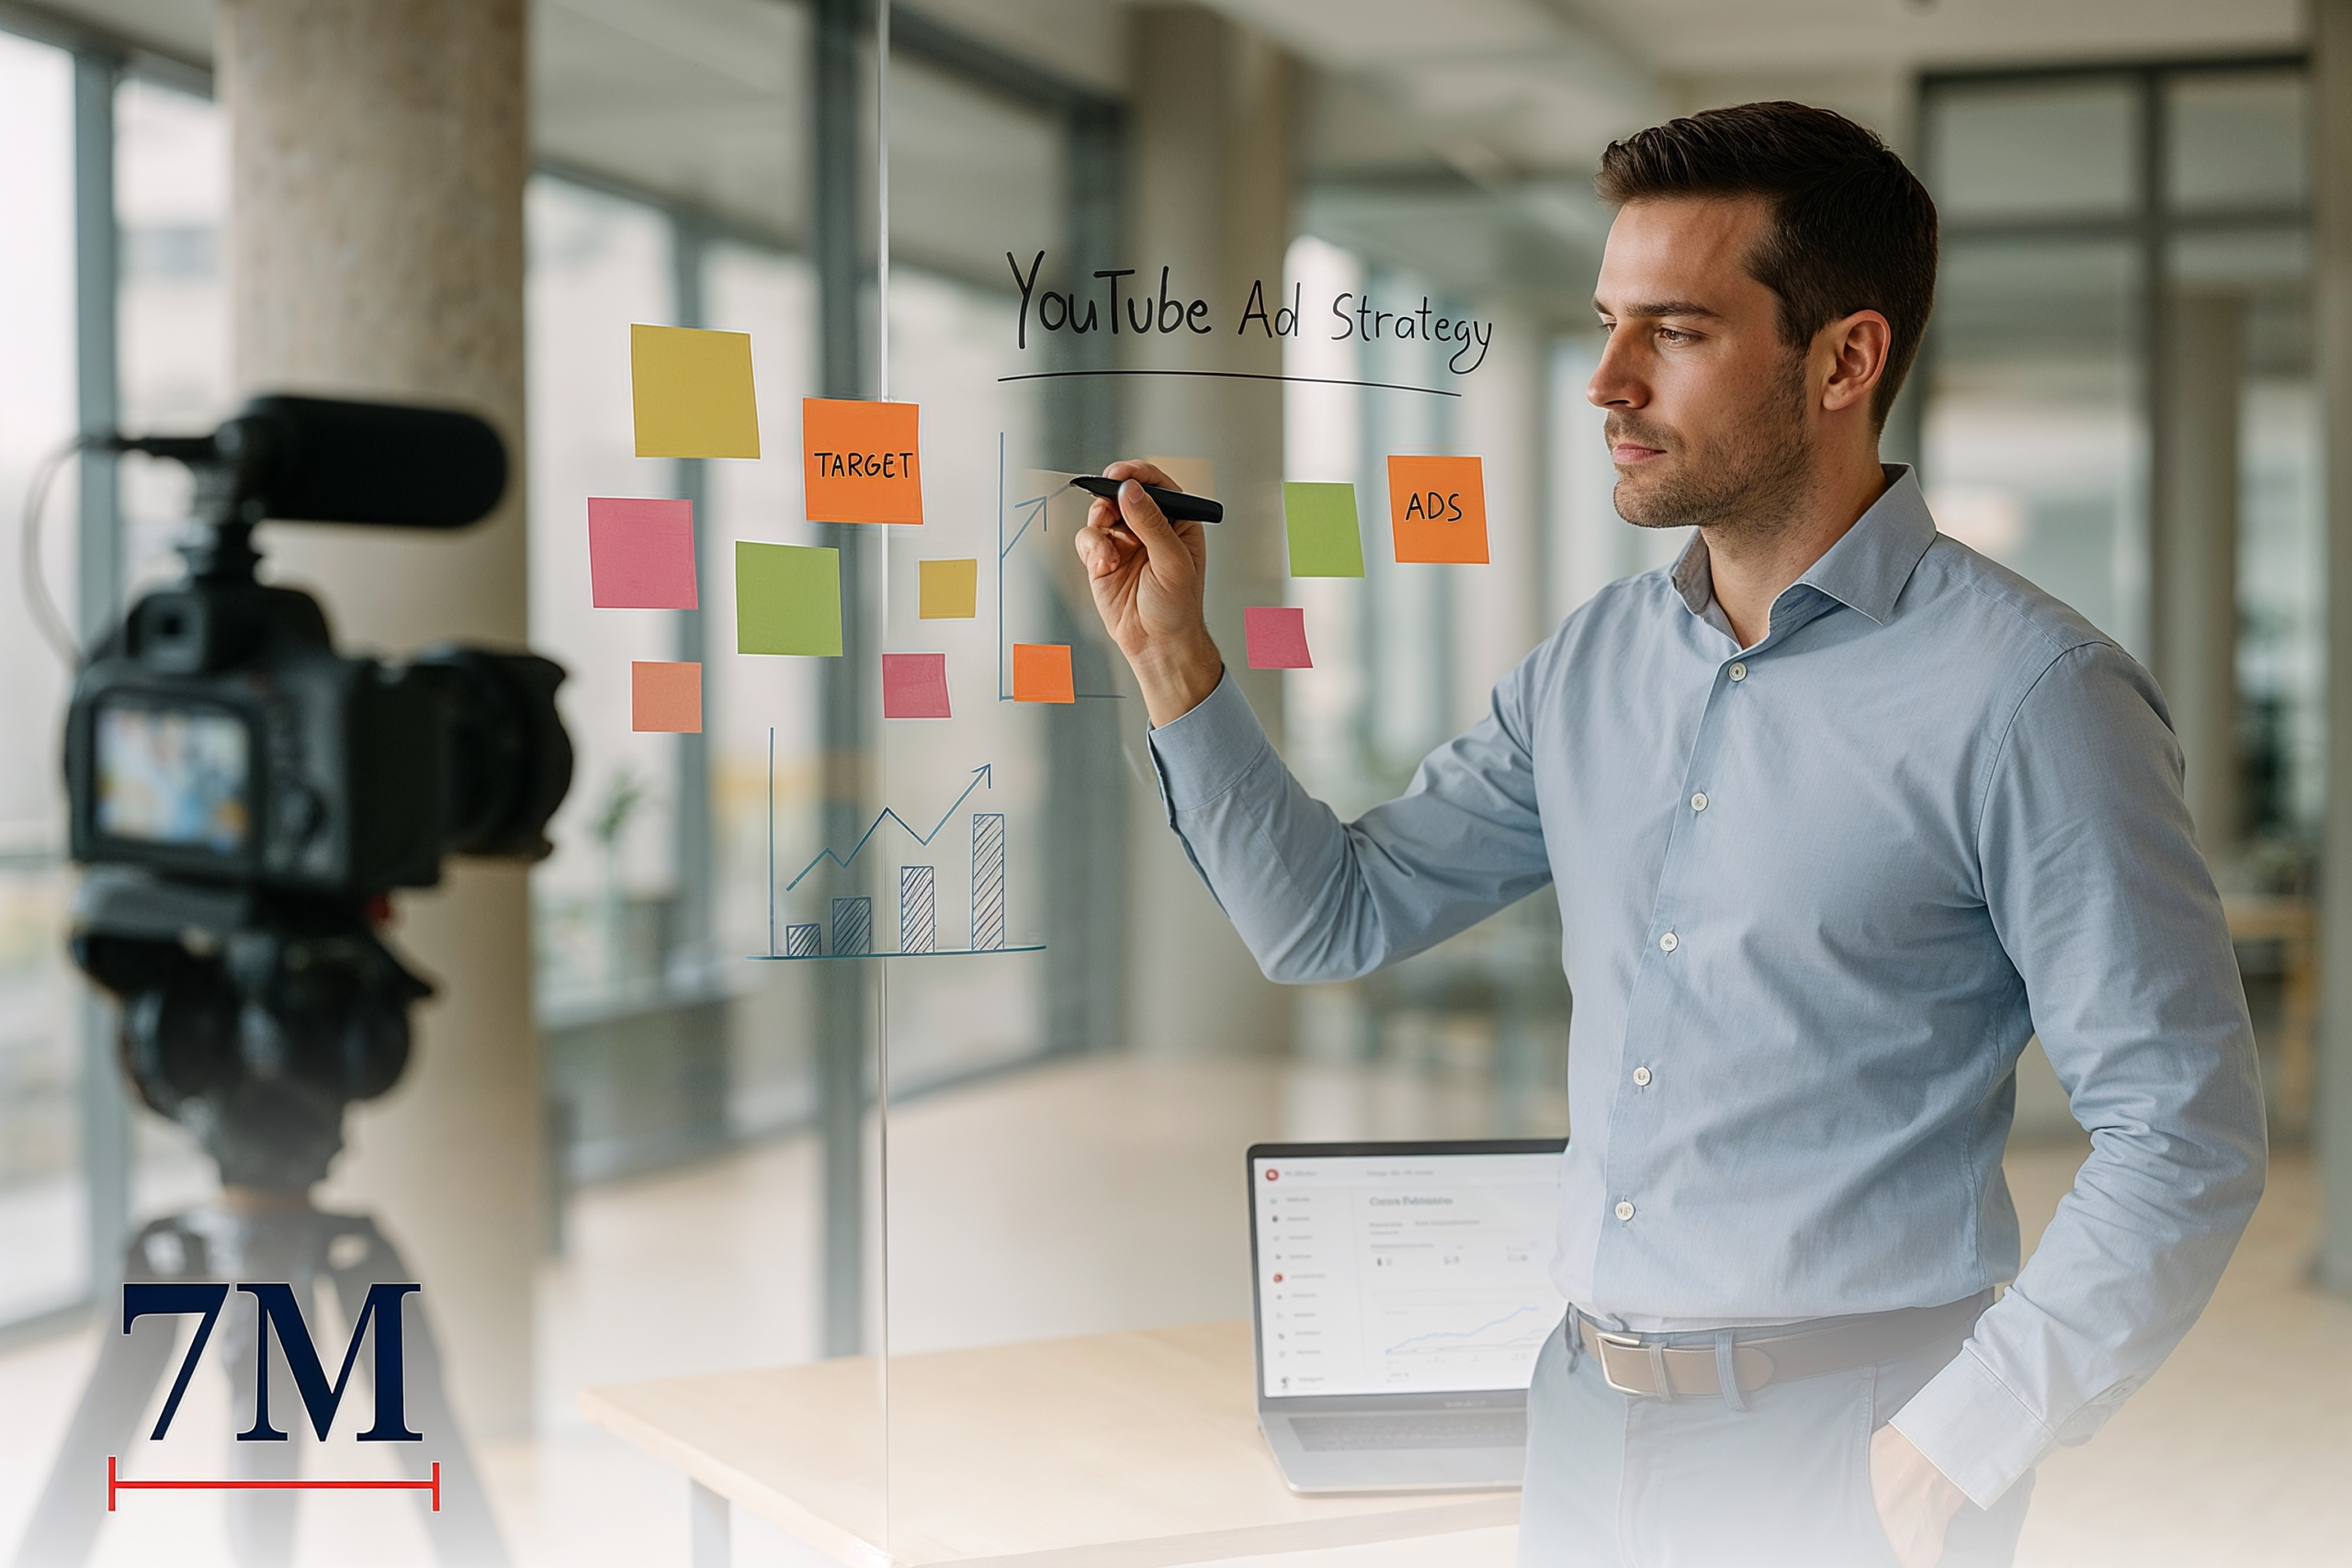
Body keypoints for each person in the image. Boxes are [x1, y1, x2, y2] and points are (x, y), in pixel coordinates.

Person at [1074, 102, 2266, 1567]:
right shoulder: (1592, 667)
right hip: (1584, 1413)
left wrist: (1955, 1446)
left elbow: (2184, 1132)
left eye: (1677, 332)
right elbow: (1331, 914)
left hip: (1850, 1437)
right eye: (1605, 323)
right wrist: (1173, 657)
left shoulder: (2036, 698)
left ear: (1844, 359)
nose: (1608, 382)